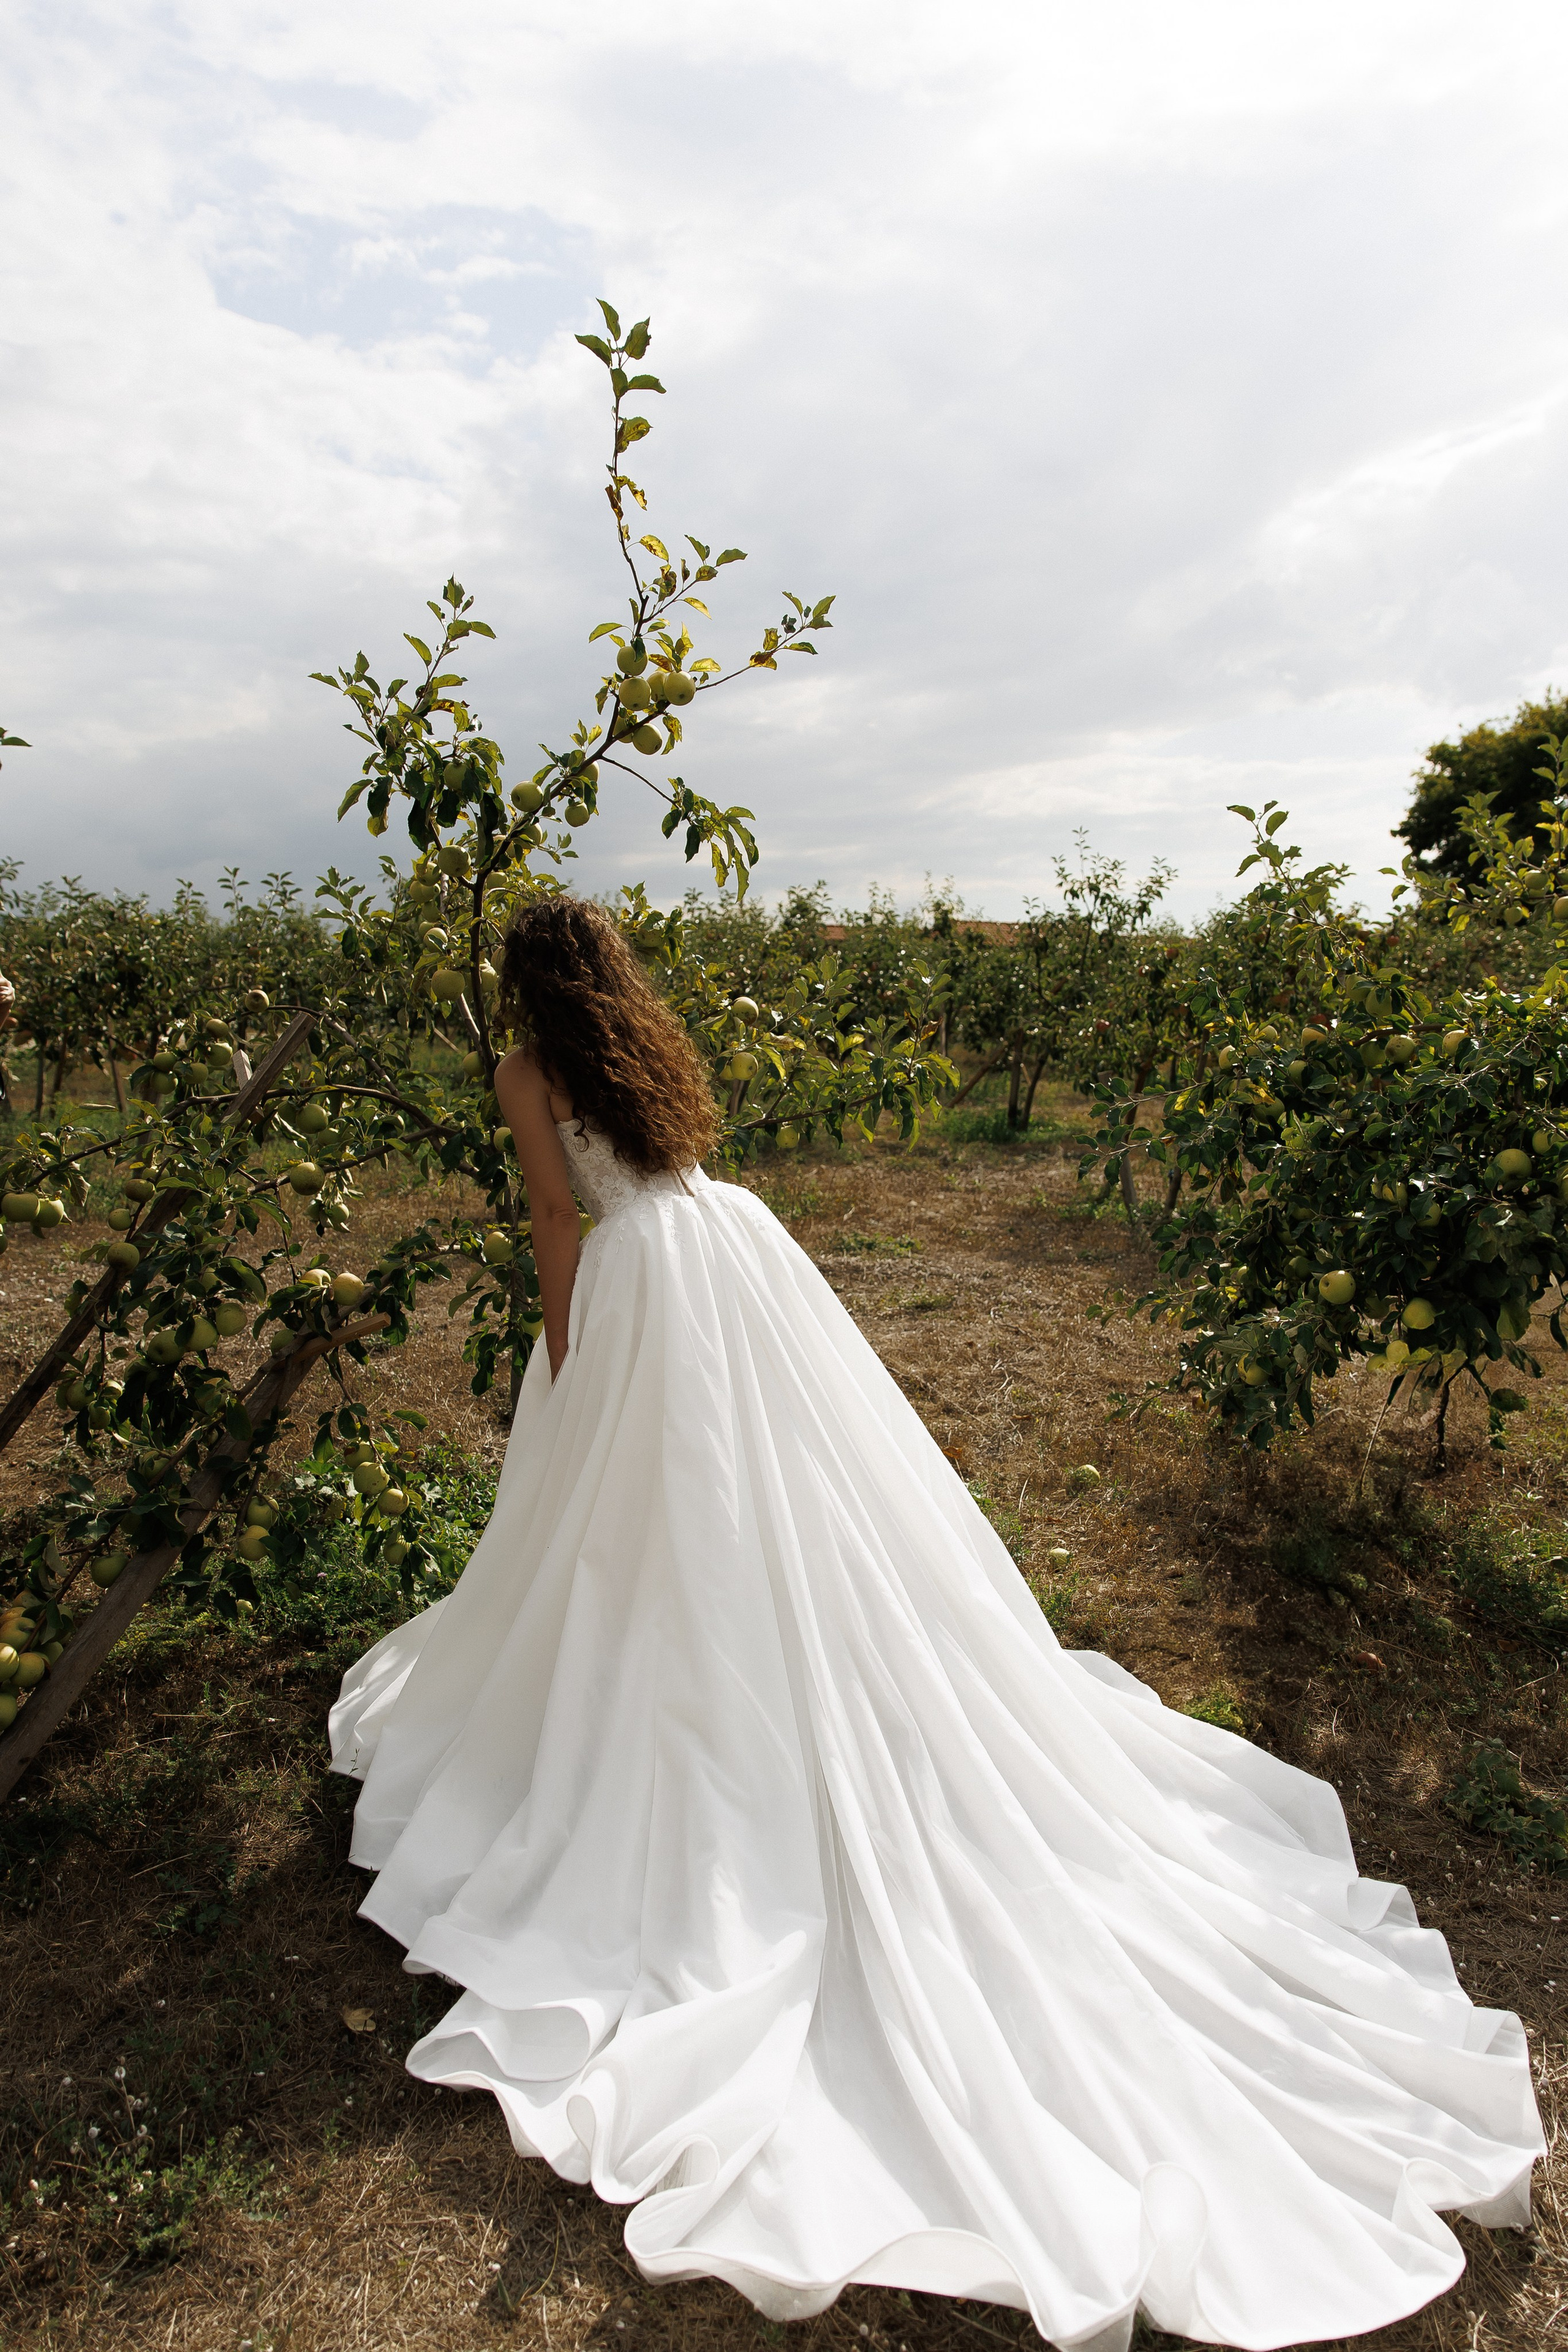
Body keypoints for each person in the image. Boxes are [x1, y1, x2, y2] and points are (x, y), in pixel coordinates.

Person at [331, 895, 1542, 2352]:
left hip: (646, 1276)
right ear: (610, 971)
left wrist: (565, 1338)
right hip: (723, 1243)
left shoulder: (527, 1068)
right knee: (772, 1489)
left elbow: (550, 1212)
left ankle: (687, 1675)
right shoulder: (642, 1043)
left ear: (520, 980)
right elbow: (662, 1170)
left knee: (656, 1502)